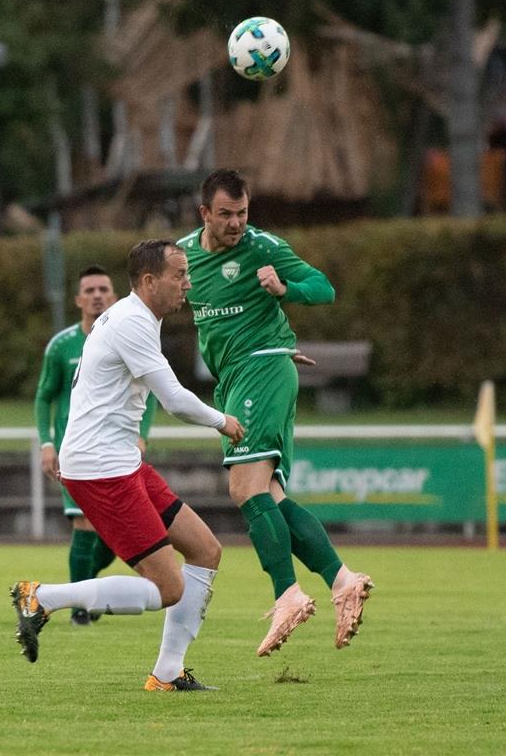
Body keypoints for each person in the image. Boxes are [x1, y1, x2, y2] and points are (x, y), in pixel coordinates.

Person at [12, 239, 245, 692]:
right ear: (148, 281)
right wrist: (223, 421)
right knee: (168, 588)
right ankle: (40, 598)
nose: (187, 284)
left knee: (205, 550)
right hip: (102, 468)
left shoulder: (136, 318)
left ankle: (167, 673)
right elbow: (174, 399)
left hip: (120, 461)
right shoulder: (132, 321)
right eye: (179, 275)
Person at [178, 169, 373, 657]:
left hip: (261, 370)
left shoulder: (263, 247)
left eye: (242, 213)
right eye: (225, 214)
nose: (236, 223)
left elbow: (324, 287)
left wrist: (286, 288)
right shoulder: (183, 257)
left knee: (244, 487)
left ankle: (287, 595)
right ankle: (342, 579)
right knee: (270, 495)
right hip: (239, 378)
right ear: (205, 213)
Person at [34, 265, 158, 627]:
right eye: (89, 290)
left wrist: (141, 434)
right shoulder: (61, 346)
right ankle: (78, 610)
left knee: (113, 536)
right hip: (79, 453)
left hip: (119, 452)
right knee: (85, 525)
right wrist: (46, 443)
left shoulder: (128, 337)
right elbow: (44, 397)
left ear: (115, 296)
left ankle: (81, 594)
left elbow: (149, 392)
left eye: (104, 288)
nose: (97, 295)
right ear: (77, 299)